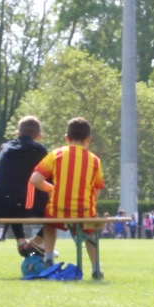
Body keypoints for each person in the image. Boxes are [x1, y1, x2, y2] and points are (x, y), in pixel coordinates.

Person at [27, 117, 105, 277]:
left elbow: (35, 179)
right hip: (84, 211)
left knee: (50, 223)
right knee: (90, 233)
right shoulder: (95, 160)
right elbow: (97, 190)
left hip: (58, 209)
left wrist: (52, 189)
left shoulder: (56, 154)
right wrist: (91, 205)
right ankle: (96, 268)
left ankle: (49, 259)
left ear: (66, 138)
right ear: (88, 139)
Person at [0, 116, 49, 255]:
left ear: (18, 133)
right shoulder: (40, 151)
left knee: (13, 192)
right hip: (23, 205)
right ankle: (37, 241)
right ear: (39, 136)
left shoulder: (5, 148)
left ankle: (21, 240)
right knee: (58, 210)